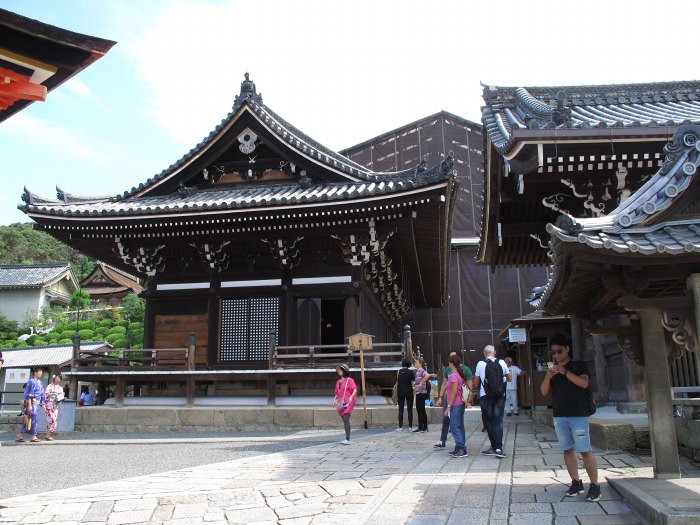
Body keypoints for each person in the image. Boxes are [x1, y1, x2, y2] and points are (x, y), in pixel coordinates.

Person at [540, 333, 600, 502]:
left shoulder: (578, 365)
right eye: (553, 352)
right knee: (567, 450)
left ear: (567, 349)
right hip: (560, 415)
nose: (556, 355)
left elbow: (584, 383)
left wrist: (565, 372)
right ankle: (575, 482)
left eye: (559, 351)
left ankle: (595, 485)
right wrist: (548, 376)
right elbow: (544, 392)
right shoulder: (553, 371)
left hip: (579, 414)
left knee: (585, 450)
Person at [474, 345, 511, 458]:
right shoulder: (502, 362)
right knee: (498, 420)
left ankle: (493, 446)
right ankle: (498, 448)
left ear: (484, 354)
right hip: (499, 396)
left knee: (488, 421)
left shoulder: (480, 364)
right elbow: (509, 378)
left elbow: (476, 382)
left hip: (485, 396)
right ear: (494, 352)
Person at [435, 351, 473, 449]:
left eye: (452, 357)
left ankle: (460, 445)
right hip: (451, 399)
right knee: (449, 421)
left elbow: (467, 386)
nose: (450, 359)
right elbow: (444, 384)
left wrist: (467, 400)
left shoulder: (463, 370)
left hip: (456, 400)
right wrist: (441, 396)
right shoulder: (448, 370)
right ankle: (444, 441)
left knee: (456, 424)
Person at [444, 354, 468, 458]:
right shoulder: (458, 374)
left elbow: (453, 392)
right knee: (459, 426)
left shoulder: (453, 376)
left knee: (454, 426)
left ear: (451, 363)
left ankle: (461, 448)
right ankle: (459, 447)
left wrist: (448, 406)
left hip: (455, 404)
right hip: (459, 404)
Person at [16, 368, 44, 443]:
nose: (41, 374)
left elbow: (42, 393)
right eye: (39, 372)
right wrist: (29, 405)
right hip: (32, 402)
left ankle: (21, 434)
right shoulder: (31, 381)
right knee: (33, 419)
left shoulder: (40, 382)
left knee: (31, 419)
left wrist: (43, 403)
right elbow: (29, 394)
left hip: (37, 403)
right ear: (35, 373)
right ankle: (33, 436)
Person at [333, 364, 357, 445]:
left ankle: (347, 438)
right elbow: (337, 392)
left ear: (344, 371)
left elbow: (354, 389)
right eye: (338, 370)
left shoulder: (350, 380)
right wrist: (334, 399)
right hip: (341, 402)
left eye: (340, 370)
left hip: (348, 402)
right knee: (344, 420)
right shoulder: (338, 382)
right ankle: (347, 437)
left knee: (346, 419)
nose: (339, 372)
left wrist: (351, 397)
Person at [396, 358, 415, 431]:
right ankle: (410, 426)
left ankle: (400, 426)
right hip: (409, 392)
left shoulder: (399, 372)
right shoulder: (410, 372)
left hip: (400, 392)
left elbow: (397, 382)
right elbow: (412, 383)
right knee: (409, 409)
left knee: (401, 409)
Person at [44, 374, 65, 441]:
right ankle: (48, 435)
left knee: (53, 419)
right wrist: (52, 394)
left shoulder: (60, 388)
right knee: (50, 419)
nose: (57, 379)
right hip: (49, 405)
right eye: (57, 377)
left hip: (55, 405)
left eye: (59, 378)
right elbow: (45, 394)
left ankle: (48, 435)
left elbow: (61, 396)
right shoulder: (50, 386)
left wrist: (59, 397)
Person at [412, 357, 429, 432]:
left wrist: (421, 382)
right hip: (420, 392)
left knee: (420, 410)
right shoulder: (418, 371)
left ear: (420, 363)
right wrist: (416, 384)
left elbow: (427, 375)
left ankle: (421, 427)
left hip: (421, 392)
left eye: (416, 362)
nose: (415, 363)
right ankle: (424, 426)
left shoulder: (421, 370)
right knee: (421, 409)